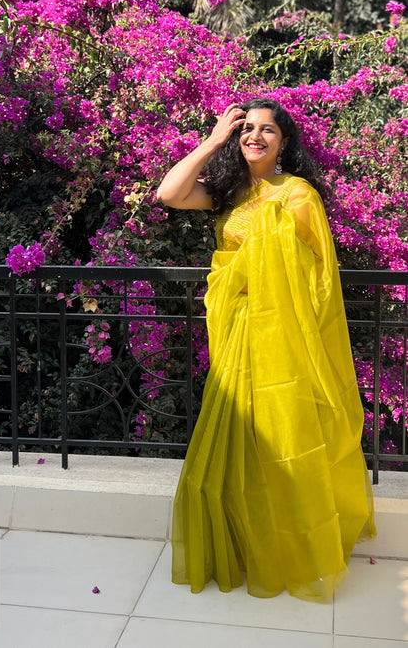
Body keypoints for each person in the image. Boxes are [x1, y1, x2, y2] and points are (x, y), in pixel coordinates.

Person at [156, 98, 375, 602]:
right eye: (247, 128)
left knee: (283, 440)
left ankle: (290, 548)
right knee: (237, 436)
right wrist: (213, 139)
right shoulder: (228, 194)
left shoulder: (297, 194)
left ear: (284, 141)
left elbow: (319, 275)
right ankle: (242, 545)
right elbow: (169, 194)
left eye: (267, 130)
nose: (255, 136)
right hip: (238, 333)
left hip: (284, 336)